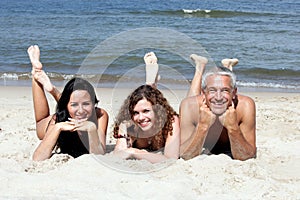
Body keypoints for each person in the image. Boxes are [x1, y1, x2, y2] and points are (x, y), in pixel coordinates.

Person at [27, 45, 109, 161]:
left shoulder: (100, 115)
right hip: (57, 119)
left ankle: (53, 90)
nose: (81, 110)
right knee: (40, 122)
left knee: (74, 101)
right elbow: (37, 159)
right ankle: (36, 74)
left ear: (94, 103)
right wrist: (58, 127)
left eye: (86, 104)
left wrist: (91, 129)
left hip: (68, 107)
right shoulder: (57, 119)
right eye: (75, 105)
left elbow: (99, 154)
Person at [180, 54, 256, 161]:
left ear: (234, 93)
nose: (219, 97)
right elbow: (185, 155)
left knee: (225, 82)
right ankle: (200, 67)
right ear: (203, 93)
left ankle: (227, 67)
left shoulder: (245, 106)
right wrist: (202, 126)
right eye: (212, 90)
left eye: (225, 90)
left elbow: (247, 156)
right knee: (191, 100)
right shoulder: (188, 105)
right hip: (197, 101)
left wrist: (233, 127)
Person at [112, 52, 180, 163]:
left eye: (146, 111)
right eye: (135, 113)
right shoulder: (128, 124)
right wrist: (123, 128)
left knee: (151, 98)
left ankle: (151, 84)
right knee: (148, 97)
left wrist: (136, 152)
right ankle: (151, 85)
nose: (140, 117)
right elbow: (117, 155)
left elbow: (170, 159)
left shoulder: (171, 120)